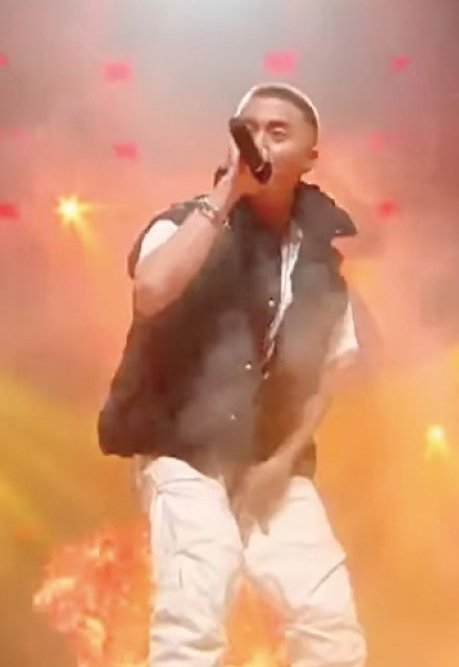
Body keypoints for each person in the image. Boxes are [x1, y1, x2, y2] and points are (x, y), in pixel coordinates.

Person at [98, 83, 367, 666]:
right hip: (182, 446)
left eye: (278, 132)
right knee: (196, 606)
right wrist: (225, 194)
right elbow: (150, 291)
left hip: (270, 456)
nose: (260, 142)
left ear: (310, 156)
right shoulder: (186, 224)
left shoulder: (322, 263)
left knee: (330, 624)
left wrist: (281, 461)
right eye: (250, 130)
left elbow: (327, 376)